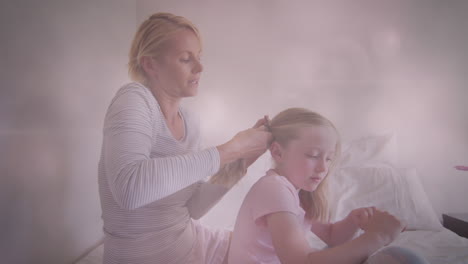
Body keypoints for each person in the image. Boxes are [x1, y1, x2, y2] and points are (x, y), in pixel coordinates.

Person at [98, 12, 271, 264]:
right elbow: (129, 189)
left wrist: (241, 162)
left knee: (270, 250)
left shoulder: (190, 121)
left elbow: (193, 208)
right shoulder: (133, 100)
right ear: (150, 65)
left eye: (199, 58)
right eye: (185, 59)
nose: (200, 68)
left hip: (192, 243)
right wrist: (231, 149)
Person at [228, 108, 429, 264]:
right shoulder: (273, 189)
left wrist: (352, 221)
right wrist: (378, 236)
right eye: (314, 156)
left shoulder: (297, 192)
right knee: (400, 257)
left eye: (329, 158)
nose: (324, 167)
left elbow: (331, 237)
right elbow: (300, 262)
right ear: (278, 153)